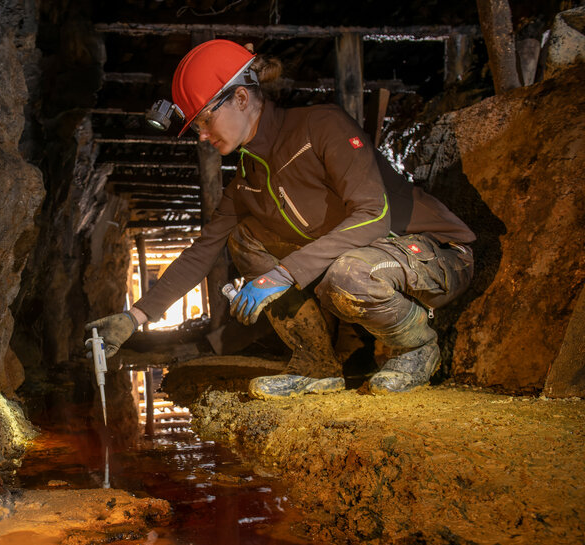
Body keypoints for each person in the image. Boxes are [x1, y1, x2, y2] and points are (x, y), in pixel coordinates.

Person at [85, 39, 476, 398]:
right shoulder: (247, 180)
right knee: (244, 238)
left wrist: (283, 274)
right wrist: (134, 317)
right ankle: (317, 366)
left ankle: (419, 347)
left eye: (203, 120)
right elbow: (202, 252)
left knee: (347, 274)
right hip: (368, 262)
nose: (201, 135)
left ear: (240, 97)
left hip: (433, 255)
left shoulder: (320, 126)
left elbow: (373, 215)